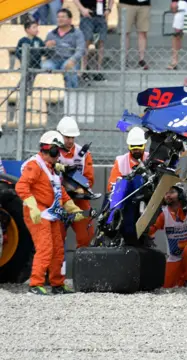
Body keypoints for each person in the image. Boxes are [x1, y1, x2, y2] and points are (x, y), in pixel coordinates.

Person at [15, 130, 87, 295]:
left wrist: (74, 209)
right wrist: (33, 207)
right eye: (57, 152)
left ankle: (57, 284)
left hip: (50, 212)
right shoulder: (35, 165)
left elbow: (60, 192)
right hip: (38, 213)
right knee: (45, 248)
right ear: (51, 149)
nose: (59, 156)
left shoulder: (51, 170)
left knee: (58, 249)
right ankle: (36, 284)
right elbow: (22, 186)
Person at [56, 116, 96, 249]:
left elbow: (89, 179)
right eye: (67, 137)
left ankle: (83, 266)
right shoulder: (52, 152)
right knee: (56, 239)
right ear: (59, 135)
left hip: (79, 201)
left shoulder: (83, 154)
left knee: (86, 237)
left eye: (73, 137)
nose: (70, 140)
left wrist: (79, 188)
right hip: (58, 201)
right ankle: (55, 269)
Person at [42, 9, 86, 89]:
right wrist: (47, 47)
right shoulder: (51, 34)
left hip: (70, 59)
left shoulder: (77, 33)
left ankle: (71, 92)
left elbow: (81, 49)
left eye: (63, 17)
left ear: (70, 20)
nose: (60, 19)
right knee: (45, 66)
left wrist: (72, 59)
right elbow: (45, 53)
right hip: (53, 60)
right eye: (58, 17)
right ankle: (50, 92)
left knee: (68, 66)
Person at [73, 0, 113, 81]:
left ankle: (98, 70)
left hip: (101, 15)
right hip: (87, 14)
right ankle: (84, 70)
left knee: (101, 42)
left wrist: (109, 9)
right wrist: (82, 9)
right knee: (86, 41)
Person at [107, 127, 149, 193]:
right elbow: (111, 186)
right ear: (129, 146)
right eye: (134, 149)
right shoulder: (120, 161)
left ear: (144, 145)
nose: (137, 151)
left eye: (139, 147)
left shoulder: (150, 158)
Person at [118, 0, 151, 69]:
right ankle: (124, 60)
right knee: (125, 32)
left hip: (144, 4)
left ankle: (142, 60)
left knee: (143, 31)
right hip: (126, 3)